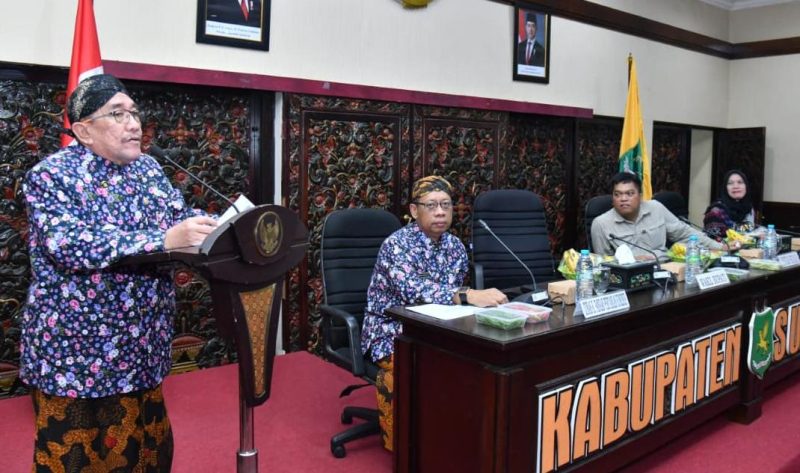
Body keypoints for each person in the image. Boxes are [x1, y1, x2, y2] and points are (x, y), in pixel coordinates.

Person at [21, 74, 218, 472]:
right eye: (117, 114)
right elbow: (70, 244)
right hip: (80, 352)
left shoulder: (147, 169)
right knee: (82, 457)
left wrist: (224, 225)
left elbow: (180, 219)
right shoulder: (49, 176)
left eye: (133, 112)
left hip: (141, 346)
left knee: (147, 453)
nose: (133, 123)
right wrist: (163, 239)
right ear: (83, 131)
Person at [360, 175, 508, 451]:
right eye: (431, 206)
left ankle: (454, 434)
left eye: (446, 205)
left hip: (439, 326)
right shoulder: (397, 245)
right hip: (391, 329)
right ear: (414, 210)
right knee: (406, 365)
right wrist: (468, 295)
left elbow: (451, 297)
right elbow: (413, 293)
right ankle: (402, 447)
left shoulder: (455, 247)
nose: (440, 212)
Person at [591, 172, 726, 260]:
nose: (623, 198)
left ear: (640, 196)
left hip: (665, 270)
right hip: (630, 277)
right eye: (617, 194)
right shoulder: (601, 224)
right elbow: (602, 263)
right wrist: (634, 260)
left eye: (629, 193)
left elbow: (685, 233)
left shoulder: (656, 208)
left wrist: (720, 247)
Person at [703, 170, 756, 241]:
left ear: (746, 186)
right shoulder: (716, 212)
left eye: (740, 182)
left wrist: (758, 233)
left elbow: (749, 230)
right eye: (730, 183)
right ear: (725, 188)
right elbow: (716, 241)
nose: (736, 186)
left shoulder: (748, 209)